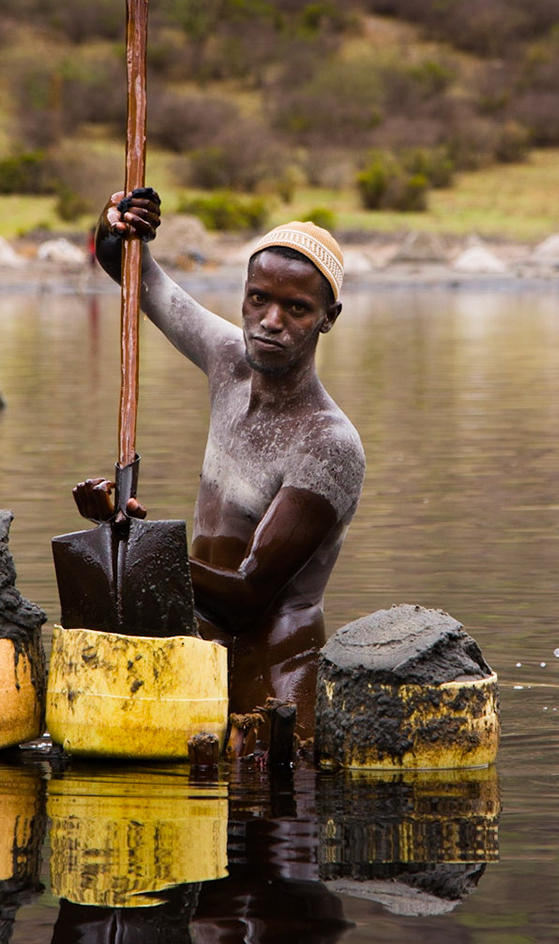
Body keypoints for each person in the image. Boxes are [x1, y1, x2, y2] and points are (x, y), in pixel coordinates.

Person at [72, 189, 364, 741]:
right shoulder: (228, 360)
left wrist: (133, 537)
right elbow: (136, 275)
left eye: (297, 309)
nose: (270, 322)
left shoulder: (328, 443)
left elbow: (249, 596)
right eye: (258, 300)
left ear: (329, 318)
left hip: (273, 681)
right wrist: (118, 226)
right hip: (197, 660)